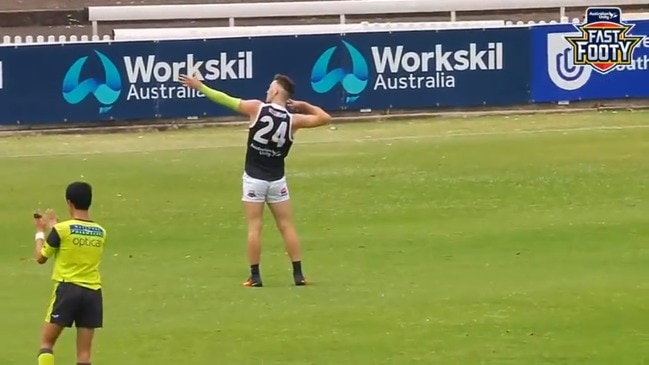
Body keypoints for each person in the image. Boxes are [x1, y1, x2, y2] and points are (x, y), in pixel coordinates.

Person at [179, 73, 332, 287]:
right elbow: (325, 118)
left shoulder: (256, 108)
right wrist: (304, 105)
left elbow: (224, 98)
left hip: (253, 179)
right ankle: (298, 274)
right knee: (287, 226)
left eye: (270, 87)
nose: (267, 91)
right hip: (277, 180)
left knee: (254, 227)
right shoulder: (293, 120)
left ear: (277, 91)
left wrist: (200, 87)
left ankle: (255, 276)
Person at [33, 181, 107, 365]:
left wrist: (41, 232)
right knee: (84, 356)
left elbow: (41, 257)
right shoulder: (100, 232)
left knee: (47, 344)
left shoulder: (61, 230)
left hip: (68, 290)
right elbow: (75, 239)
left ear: (69, 203)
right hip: (92, 294)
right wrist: (55, 227)